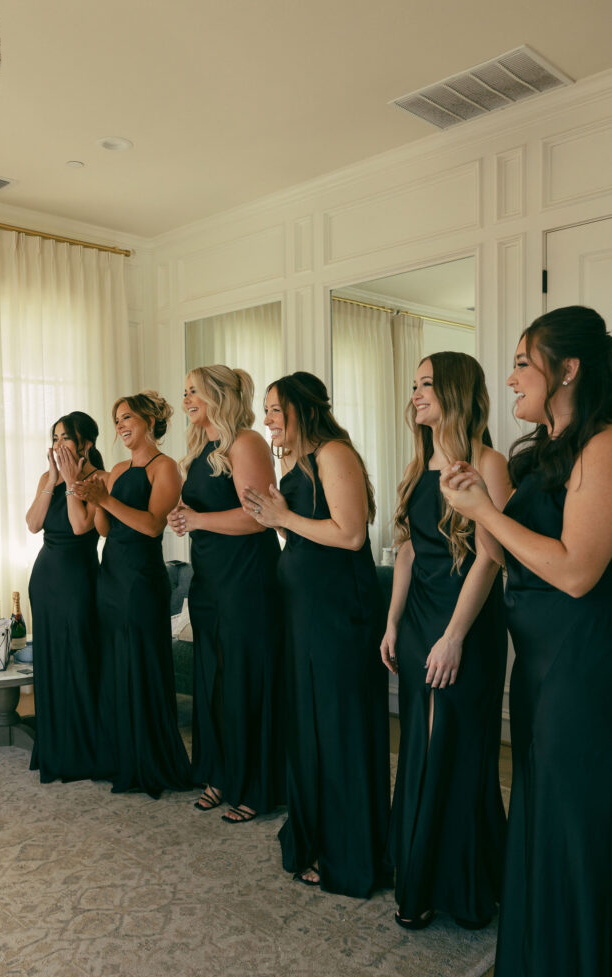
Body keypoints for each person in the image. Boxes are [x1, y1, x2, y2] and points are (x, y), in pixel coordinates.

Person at [440, 307, 612, 977]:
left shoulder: (602, 447)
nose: (508, 377)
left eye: (521, 362)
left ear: (567, 370)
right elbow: (509, 549)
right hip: (536, 670)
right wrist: (474, 507)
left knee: (574, 833)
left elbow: (574, 571)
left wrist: (486, 510)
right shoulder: (538, 453)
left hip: (581, 668)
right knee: (538, 826)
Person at [243, 371, 390, 897]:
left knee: (338, 727)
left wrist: (284, 515)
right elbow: (305, 532)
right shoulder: (297, 461)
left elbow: (350, 535)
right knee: (308, 725)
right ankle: (317, 837)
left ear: (304, 410)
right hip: (304, 611)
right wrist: (272, 519)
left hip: (339, 614)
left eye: (275, 410)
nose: (267, 420)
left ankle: (350, 852)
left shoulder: (334, 453)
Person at [380, 352, 511, 930]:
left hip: (466, 629)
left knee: (452, 751)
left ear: (456, 391)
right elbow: (408, 551)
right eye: (414, 385)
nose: (417, 395)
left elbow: (491, 556)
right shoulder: (419, 464)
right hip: (416, 628)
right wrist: (391, 623)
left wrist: (454, 637)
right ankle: (421, 872)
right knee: (419, 751)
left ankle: (454, 883)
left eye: (427, 384)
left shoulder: (489, 461)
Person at [166, 365, 281, 823]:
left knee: (242, 680)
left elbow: (259, 517)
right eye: (185, 391)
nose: (186, 399)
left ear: (217, 395)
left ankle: (254, 783)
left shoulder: (246, 442)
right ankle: (218, 774)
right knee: (213, 678)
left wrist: (195, 520)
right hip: (210, 578)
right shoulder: (202, 450)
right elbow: (205, 511)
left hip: (247, 579)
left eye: (193, 391)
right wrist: (183, 516)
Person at [73, 390, 191, 798]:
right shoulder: (118, 468)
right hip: (111, 577)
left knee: (141, 665)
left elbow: (153, 525)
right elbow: (105, 530)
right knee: (115, 667)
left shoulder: (166, 467)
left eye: (127, 418)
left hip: (142, 579)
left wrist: (105, 497)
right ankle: (119, 756)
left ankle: (150, 761)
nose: (121, 426)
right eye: (117, 420)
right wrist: (95, 498)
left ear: (149, 421)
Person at [26, 411, 103, 783]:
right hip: (45, 578)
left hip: (79, 579)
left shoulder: (99, 480)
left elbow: (79, 526)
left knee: (79, 657)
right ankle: (54, 746)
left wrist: (72, 482)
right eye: (54, 437)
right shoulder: (48, 478)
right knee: (51, 659)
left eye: (66, 438)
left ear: (86, 444)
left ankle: (85, 751)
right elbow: (33, 523)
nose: (58, 444)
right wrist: (54, 479)